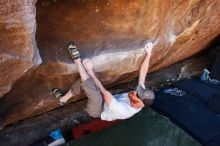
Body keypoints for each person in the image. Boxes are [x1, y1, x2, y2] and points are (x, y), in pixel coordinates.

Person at [52, 41, 155, 121]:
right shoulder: (140, 95)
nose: (136, 92)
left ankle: (77, 60)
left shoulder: (124, 110)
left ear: (140, 104)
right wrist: (149, 53)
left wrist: (90, 71)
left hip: (99, 111)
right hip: (107, 101)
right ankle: (63, 100)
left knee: (94, 92)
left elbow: (104, 92)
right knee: (85, 80)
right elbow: (143, 73)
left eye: (137, 95)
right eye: (139, 90)